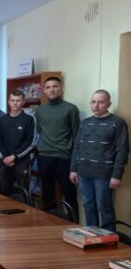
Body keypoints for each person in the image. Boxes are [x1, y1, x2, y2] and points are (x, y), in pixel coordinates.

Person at [70, 90, 129, 230]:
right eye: (93, 102)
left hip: (104, 174)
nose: (96, 105)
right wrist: (73, 169)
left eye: (101, 102)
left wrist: (117, 175)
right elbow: (77, 147)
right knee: (88, 205)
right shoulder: (85, 123)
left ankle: (109, 237)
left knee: (104, 207)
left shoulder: (117, 123)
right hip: (83, 172)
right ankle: (92, 235)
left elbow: (122, 150)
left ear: (109, 104)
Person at [35, 77, 80, 212]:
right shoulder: (40, 110)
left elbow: (76, 134)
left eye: (55, 86)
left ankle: (72, 222)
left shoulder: (71, 108)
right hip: (44, 156)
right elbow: (40, 131)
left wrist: (74, 161)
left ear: (61, 89)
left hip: (64, 157)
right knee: (47, 195)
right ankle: (49, 222)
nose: (51, 90)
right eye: (48, 87)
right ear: (44, 90)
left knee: (69, 194)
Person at [0, 90, 36, 196]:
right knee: (5, 192)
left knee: (23, 192)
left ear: (23, 102)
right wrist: (5, 157)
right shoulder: (1, 120)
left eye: (18, 100)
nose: (15, 103)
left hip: (22, 162)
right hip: (5, 161)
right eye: (12, 100)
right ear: (9, 102)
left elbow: (30, 142)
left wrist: (14, 156)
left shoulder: (29, 119)